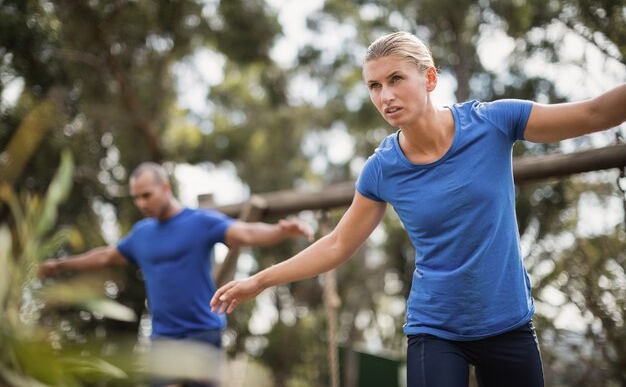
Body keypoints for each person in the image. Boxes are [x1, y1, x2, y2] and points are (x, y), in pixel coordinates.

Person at [210, 31, 626, 387]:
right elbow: (337, 244)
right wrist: (260, 281)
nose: (385, 96)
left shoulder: (494, 123)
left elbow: (593, 113)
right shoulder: (382, 170)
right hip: (436, 329)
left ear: (429, 78)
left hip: (508, 324)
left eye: (395, 79)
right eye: (374, 86)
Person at [39, 162, 313, 387]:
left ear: (165, 188)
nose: (141, 202)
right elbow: (104, 255)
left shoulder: (200, 222)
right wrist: (61, 265)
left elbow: (246, 232)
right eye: (136, 197)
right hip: (164, 338)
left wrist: (280, 231)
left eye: (147, 195)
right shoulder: (141, 234)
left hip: (203, 332)